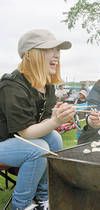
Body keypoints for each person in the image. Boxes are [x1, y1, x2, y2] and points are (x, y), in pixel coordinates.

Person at [0, 29, 76, 210]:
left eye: (58, 50)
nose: (57, 54)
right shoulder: (13, 85)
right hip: (3, 141)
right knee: (38, 149)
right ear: (29, 55)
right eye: (50, 49)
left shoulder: (47, 83)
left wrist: (55, 115)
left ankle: (42, 198)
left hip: (17, 141)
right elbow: (25, 132)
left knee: (55, 138)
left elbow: (43, 124)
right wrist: (55, 122)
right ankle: (21, 206)